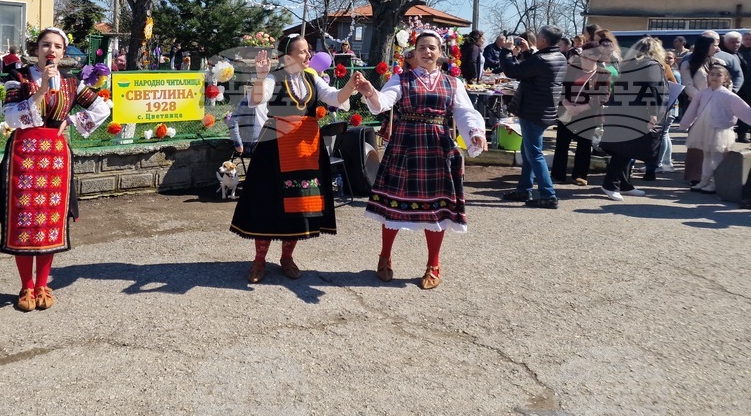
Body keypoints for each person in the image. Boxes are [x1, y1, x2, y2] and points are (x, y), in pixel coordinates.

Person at [0, 27, 111, 312]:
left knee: (50, 222)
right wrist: (40, 91)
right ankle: (26, 286)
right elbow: (13, 118)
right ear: (36, 49)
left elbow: (103, 109)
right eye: (45, 45)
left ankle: (42, 284)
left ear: (63, 52)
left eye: (57, 47)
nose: (51, 51)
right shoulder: (18, 79)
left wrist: (73, 121)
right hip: (23, 158)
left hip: (55, 158)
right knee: (25, 222)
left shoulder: (72, 84)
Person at [353, 33, 487, 289]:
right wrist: (370, 91)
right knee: (394, 203)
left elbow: (464, 112)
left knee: (436, 208)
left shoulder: (452, 83)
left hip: (437, 146)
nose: (427, 51)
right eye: (422, 47)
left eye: (432, 48)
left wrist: (476, 133)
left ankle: (433, 264)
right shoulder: (400, 79)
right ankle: (384, 257)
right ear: (414, 52)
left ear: (440, 52)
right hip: (405, 145)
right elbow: (384, 103)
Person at [230, 34, 358, 283]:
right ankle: (259, 261)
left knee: (300, 204)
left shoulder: (312, 77)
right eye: (303, 52)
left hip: (305, 150)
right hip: (275, 149)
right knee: (268, 203)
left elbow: (334, 98)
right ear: (288, 57)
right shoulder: (272, 78)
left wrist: (351, 86)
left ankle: (286, 258)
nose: (309, 55)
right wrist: (258, 76)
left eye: (309, 51)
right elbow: (257, 99)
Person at [499, 25, 567, 208]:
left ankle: (548, 194)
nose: (535, 38)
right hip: (544, 110)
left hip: (533, 111)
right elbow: (533, 71)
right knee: (529, 151)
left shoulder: (543, 59)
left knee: (534, 153)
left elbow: (514, 72)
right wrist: (528, 53)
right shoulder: (559, 57)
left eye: (538, 36)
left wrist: (506, 51)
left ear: (544, 40)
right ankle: (524, 189)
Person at [598, 38, 670, 201]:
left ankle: (623, 184)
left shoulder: (628, 64)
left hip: (623, 109)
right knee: (625, 150)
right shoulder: (651, 65)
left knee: (624, 149)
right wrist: (653, 113)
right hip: (638, 112)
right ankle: (611, 184)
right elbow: (652, 90)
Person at [678, 64, 751, 194]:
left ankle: (716, 182)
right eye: (712, 74)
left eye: (719, 75)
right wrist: (685, 123)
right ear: (708, 76)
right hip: (704, 127)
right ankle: (704, 180)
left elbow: (743, 110)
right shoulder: (703, 93)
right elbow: (692, 109)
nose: (715, 77)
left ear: (726, 79)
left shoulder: (729, 96)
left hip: (720, 129)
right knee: (706, 155)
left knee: (716, 156)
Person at [549, 42, 608, 186]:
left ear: (597, 57)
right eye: (583, 56)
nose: (585, 59)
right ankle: (558, 175)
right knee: (562, 145)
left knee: (584, 146)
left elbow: (603, 96)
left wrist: (581, 108)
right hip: (567, 113)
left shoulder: (603, 74)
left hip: (587, 116)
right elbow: (559, 89)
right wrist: (567, 105)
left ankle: (579, 175)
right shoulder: (571, 69)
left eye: (589, 56)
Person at [736, 31, 751, 143]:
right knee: (744, 110)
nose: (748, 41)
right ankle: (742, 134)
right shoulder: (738, 53)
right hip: (743, 87)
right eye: (746, 39)